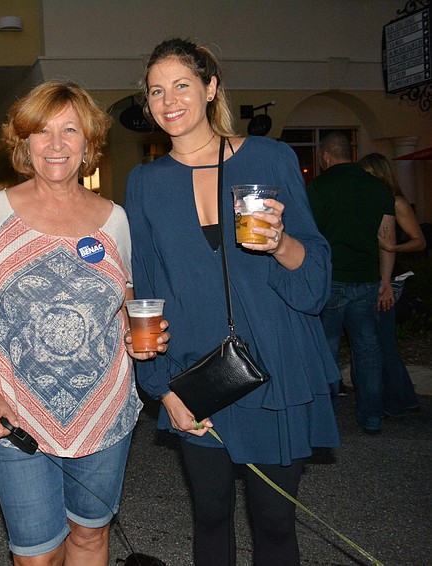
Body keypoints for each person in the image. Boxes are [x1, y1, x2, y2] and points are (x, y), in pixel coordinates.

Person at [125, 38, 340, 565]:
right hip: (199, 376)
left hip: (277, 370)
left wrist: (282, 245)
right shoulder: (146, 183)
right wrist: (162, 389)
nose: (168, 100)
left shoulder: (271, 157)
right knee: (211, 516)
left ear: (211, 87)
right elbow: (144, 292)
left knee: (273, 524)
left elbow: (314, 282)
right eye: (156, 90)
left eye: (181, 85)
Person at [0, 80, 168, 566]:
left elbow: (128, 301)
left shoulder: (116, 219)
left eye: (69, 131)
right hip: (15, 416)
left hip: (103, 413)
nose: (55, 144)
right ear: (24, 142)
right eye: (42, 131)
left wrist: (145, 341)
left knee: (91, 537)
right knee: (37, 555)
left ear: (89, 144)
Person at [306, 133, 396, 434]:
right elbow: (387, 239)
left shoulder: (319, 187)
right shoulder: (378, 188)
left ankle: (328, 418)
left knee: (327, 351)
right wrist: (385, 281)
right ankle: (371, 417)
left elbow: (308, 237)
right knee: (368, 350)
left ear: (326, 156)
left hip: (331, 282)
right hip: (367, 280)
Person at [357, 152, 426, 417]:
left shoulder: (396, 201)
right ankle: (402, 398)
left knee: (382, 343)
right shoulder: (370, 200)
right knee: (377, 343)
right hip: (371, 277)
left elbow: (419, 240)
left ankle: (399, 400)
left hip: (388, 280)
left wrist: (393, 246)